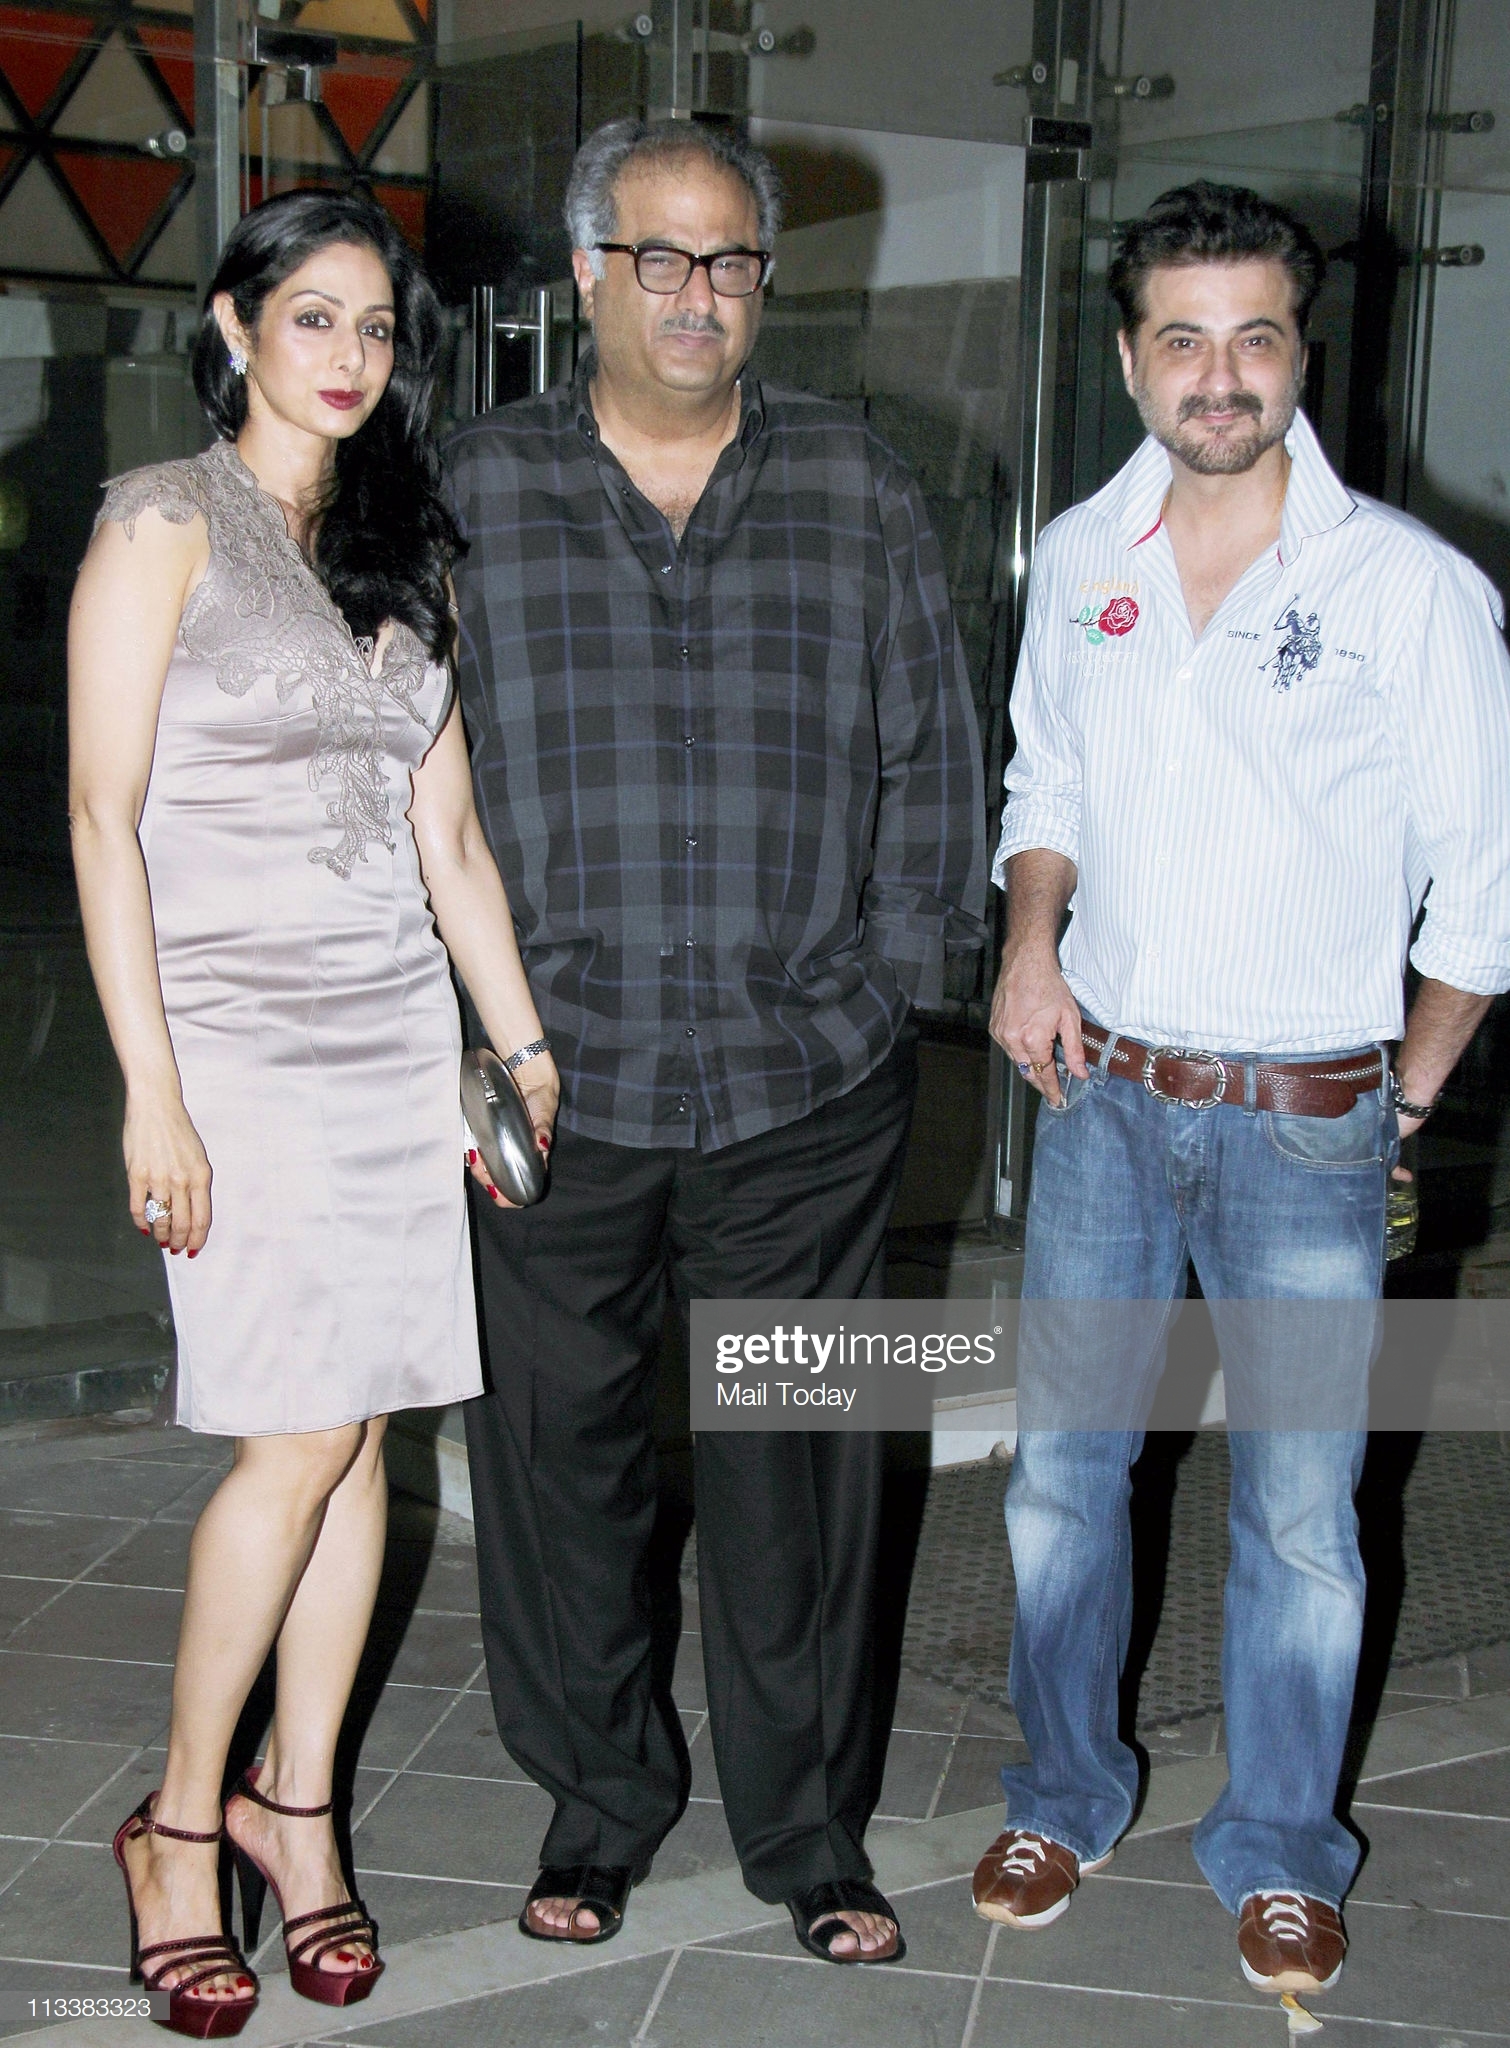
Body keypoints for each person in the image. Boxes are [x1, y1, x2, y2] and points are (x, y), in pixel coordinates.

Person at [447, 116, 986, 1965]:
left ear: (765, 282)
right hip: (553, 1080)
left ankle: (808, 1833)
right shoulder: (473, 488)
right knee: (556, 1469)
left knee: (797, 1476)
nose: (697, 292)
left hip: (800, 1086)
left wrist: (889, 987)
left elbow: (933, 749)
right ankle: (598, 1804)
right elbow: (403, 778)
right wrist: (456, 1024)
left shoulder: (855, 481)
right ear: (585, 274)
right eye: (659, 256)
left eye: (731, 260)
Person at [977, 179, 1510, 1997]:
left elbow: (1485, 881)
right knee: (1061, 1482)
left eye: (1253, 337)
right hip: (1102, 1103)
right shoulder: (1079, 553)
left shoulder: (1410, 590)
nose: (1218, 375)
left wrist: (1402, 1094)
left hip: (1309, 1119)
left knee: (1297, 1512)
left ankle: (1279, 1847)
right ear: (1131, 358)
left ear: (1300, 353)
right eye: (1182, 339)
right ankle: (1061, 1790)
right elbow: (1045, 779)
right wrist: (1030, 940)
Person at [69, 189, 557, 2038]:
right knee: (294, 1440)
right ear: (234, 322)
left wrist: (517, 1043)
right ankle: (180, 1829)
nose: (350, 356)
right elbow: (103, 820)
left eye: (376, 327)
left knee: (361, 1444)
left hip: (386, 1044)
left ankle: (299, 1810)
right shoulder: (159, 520)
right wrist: (153, 1096)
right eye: (315, 317)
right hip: (233, 1047)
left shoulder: (401, 544)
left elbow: (451, 835)